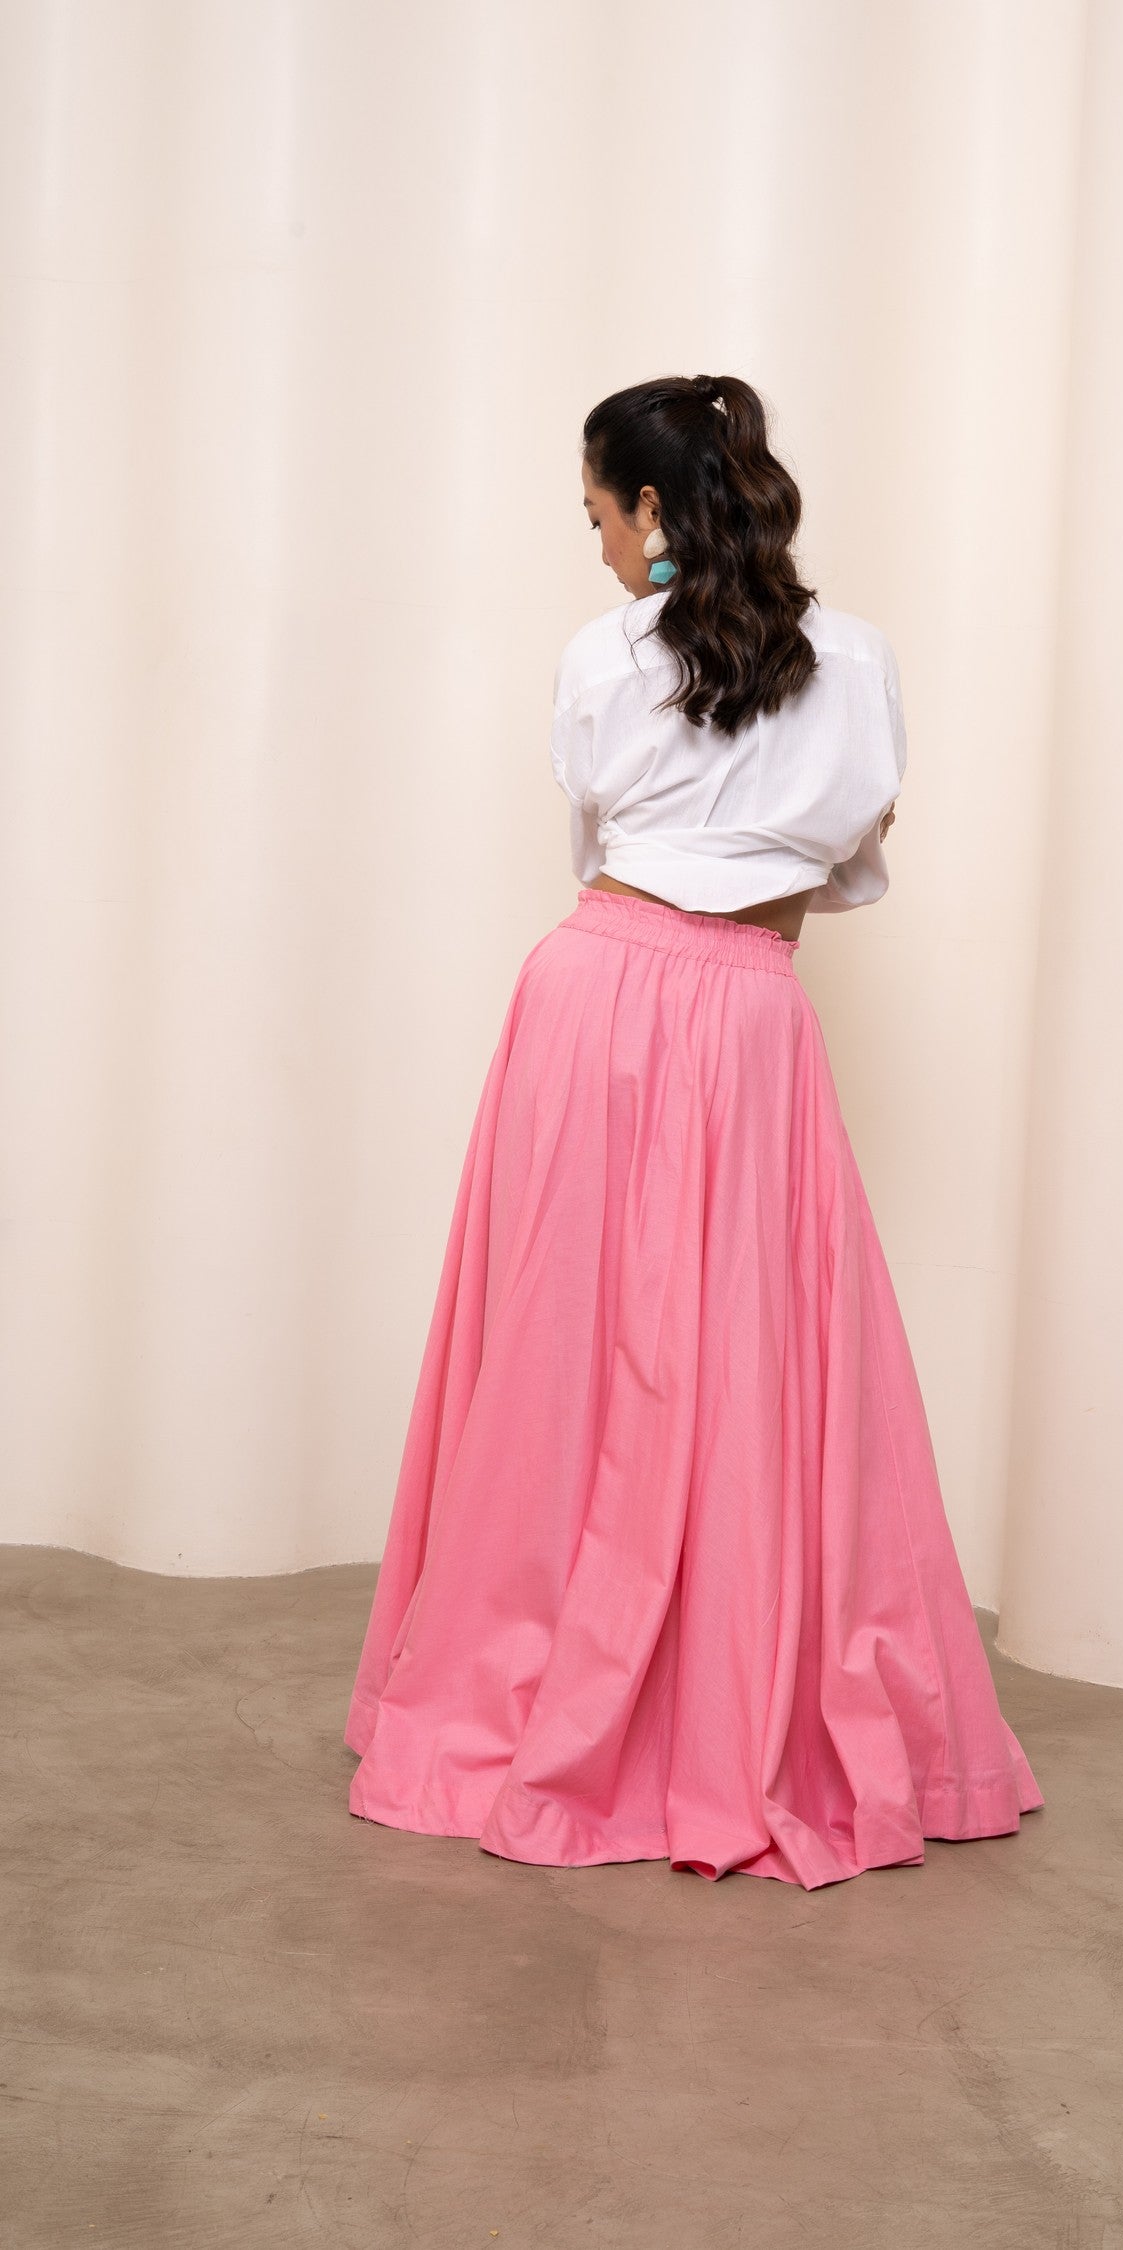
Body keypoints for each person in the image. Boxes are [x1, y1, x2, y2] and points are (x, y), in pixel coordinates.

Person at [344, 374, 1043, 1887]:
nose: (596, 543)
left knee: (567, 1346)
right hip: (748, 1012)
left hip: (593, 995)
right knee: (749, 1353)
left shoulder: (605, 655)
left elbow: (599, 837)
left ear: (654, 507)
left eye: (599, 512)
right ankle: (724, 1706)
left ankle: (556, 1687)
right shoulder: (859, 659)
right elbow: (852, 862)